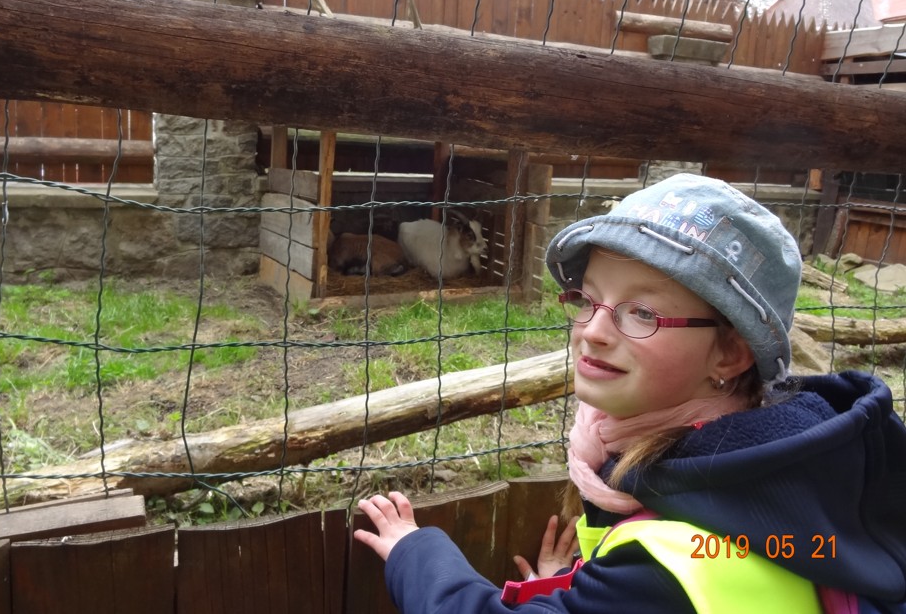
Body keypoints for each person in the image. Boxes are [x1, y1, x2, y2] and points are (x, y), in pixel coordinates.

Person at [354, 172, 906, 613]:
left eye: (642, 312)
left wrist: (416, 552)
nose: (592, 330)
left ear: (730, 354)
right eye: (588, 299)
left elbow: (671, 578)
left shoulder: (670, 561)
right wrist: (575, 586)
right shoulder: (783, 471)